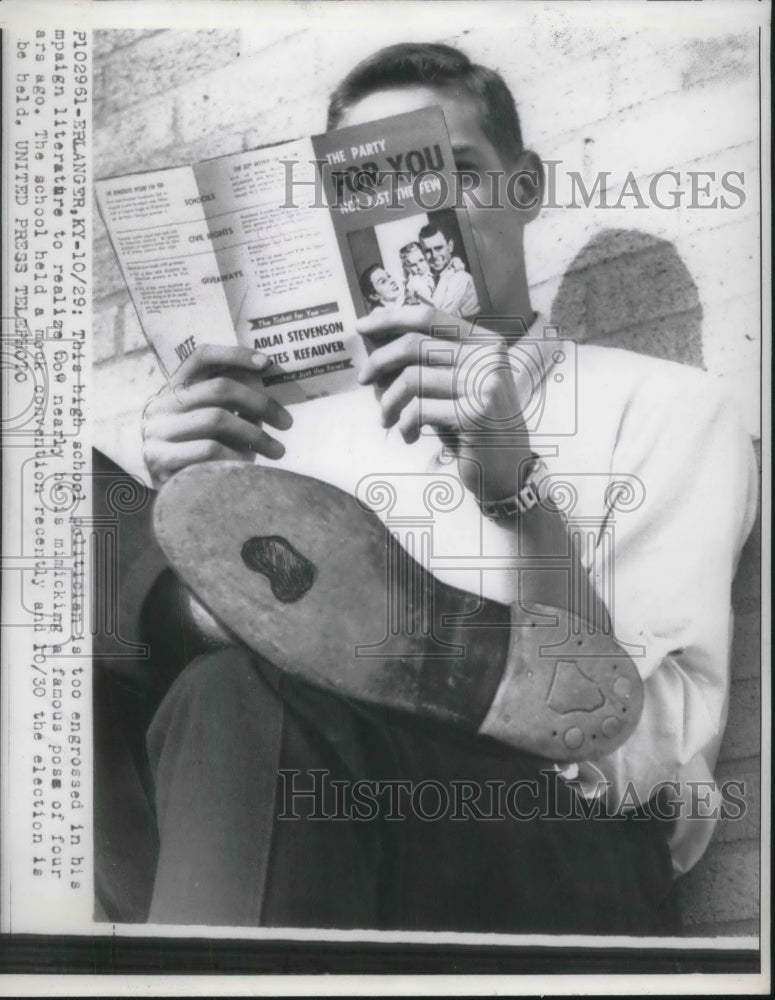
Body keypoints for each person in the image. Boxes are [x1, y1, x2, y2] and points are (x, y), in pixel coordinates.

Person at [137, 43, 757, 932]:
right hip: (311, 802)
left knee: (243, 703)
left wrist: (514, 490)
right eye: (375, 185)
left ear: (526, 187)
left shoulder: (670, 406)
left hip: (554, 848)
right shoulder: (301, 434)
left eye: (456, 171)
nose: (420, 212)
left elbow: (623, 759)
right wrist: (189, 508)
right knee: (98, 535)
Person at [418, 220, 480, 318]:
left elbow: (438, 317)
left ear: (450, 246)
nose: (434, 255)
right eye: (428, 251)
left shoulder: (461, 278)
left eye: (438, 248)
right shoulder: (432, 277)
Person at [399, 239, 467, 306]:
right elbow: (436, 306)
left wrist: (455, 262)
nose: (419, 267)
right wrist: (447, 274)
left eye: (421, 260)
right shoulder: (414, 283)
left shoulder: (432, 274)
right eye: (413, 265)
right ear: (407, 268)